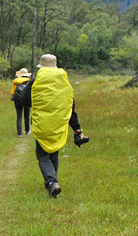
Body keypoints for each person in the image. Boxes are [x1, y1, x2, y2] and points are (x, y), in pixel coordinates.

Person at [19, 53, 88, 197]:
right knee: (54, 154)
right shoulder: (64, 83)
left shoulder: (35, 82)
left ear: (41, 67)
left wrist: (40, 103)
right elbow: (70, 107)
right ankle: (53, 183)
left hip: (41, 124)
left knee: (43, 155)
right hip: (58, 125)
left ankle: (51, 182)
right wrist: (77, 129)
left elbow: (24, 100)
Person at [10, 68, 31, 137]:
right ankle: (27, 131)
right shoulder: (28, 81)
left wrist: (13, 97)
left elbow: (13, 92)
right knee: (26, 115)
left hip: (17, 100)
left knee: (19, 115)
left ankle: (19, 133)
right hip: (26, 99)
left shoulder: (15, 82)